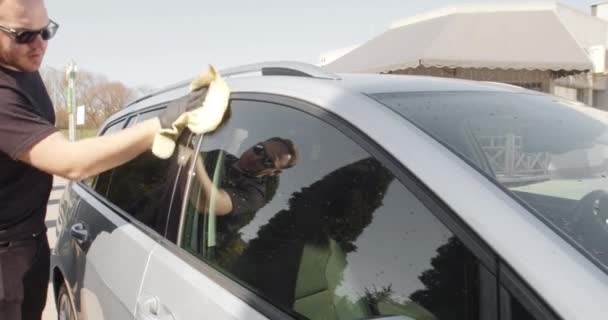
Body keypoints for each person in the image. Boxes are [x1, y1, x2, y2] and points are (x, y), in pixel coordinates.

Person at [0, 0, 208, 318]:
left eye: (46, 31)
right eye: (24, 35)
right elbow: (70, 162)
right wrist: (160, 125)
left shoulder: (24, 67)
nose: (40, 44)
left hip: (30, 239)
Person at [189, 137, 299, 249]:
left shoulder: (254, 195)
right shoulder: (220, 156)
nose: (256, 157)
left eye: (268, 161)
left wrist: (193, 157)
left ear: (275, 172)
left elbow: (205, 202)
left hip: (190, 246)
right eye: (259, 149)